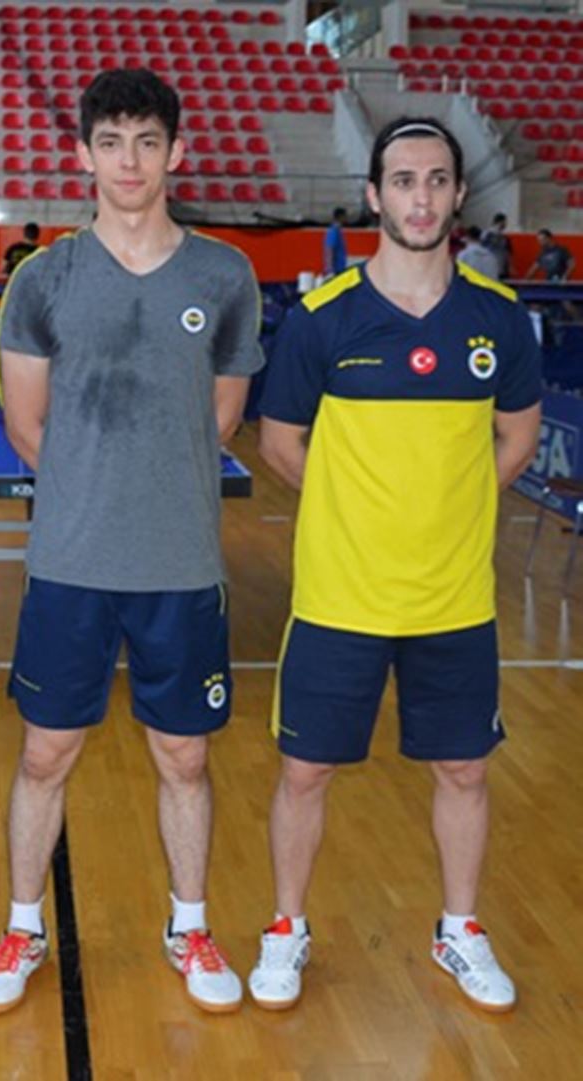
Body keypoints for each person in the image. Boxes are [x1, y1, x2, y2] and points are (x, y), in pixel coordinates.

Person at [0, 68, 264, 1015]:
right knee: (44, 754)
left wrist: (149, 487)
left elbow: (221, 419)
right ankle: (23, 925)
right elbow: (28, 426)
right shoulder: (43, 279)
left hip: (180, 564)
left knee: (185, 758)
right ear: (84, 154)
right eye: (111, 142)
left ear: (177, 152)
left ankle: (190, 924)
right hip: (72, 563)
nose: (129, 161)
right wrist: (99, 491)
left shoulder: (225, 276)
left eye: (147, 142)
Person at [253, 116, 541, 1015]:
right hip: (340, 596)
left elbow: (518, 437)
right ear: (375, 195)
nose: (422, 197)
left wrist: (448, 507)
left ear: (459, 194)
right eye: (405, 181)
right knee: (306, 772)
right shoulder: (322, 318)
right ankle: (286, 927)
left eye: (438, 180)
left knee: (465, 771)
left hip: (454, 601)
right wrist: (361, 509)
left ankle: (459, 929)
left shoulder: (499, 319)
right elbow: (280, 442)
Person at [481, 212, 512, 278]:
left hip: (500, 269)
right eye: (505, 222)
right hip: (491, 268)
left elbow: (508, 253)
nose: (506, 224)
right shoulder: (488, 235)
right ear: (501, 222)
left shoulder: (504, 238)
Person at [323, 206, 348, 277]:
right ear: (340, 217)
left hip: (339, 269)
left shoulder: (338, 231)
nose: (346, 219)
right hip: (336, 270)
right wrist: (330, 269)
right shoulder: (334, 231)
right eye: (345, 216)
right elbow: (329, 249)